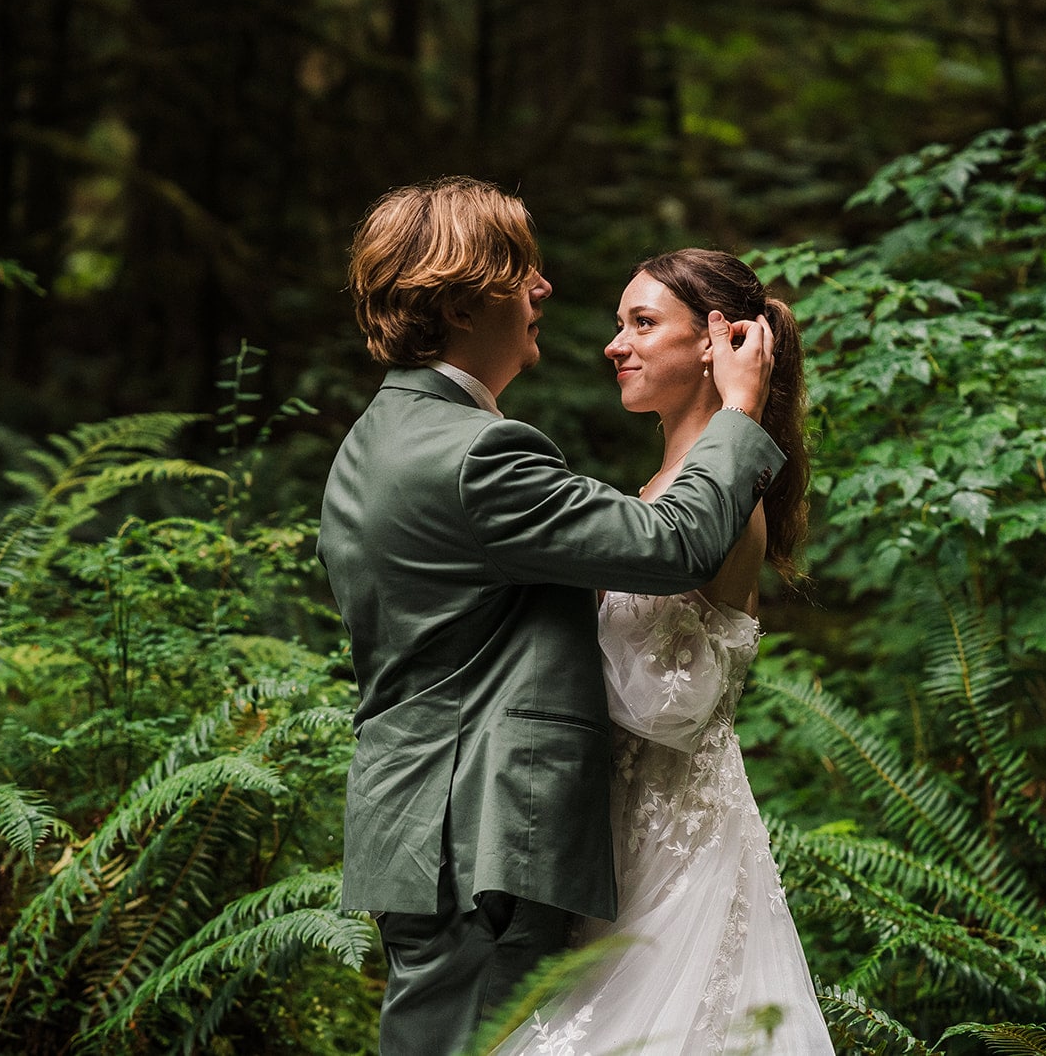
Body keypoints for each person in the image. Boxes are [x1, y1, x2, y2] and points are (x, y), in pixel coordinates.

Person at [315, 180, 787, 1055]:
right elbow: (672, 542)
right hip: (480, 841)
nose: (544, 289)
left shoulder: (377, 438)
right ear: (463, 294)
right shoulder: (478, 455)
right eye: (521, 269)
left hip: (433, 833)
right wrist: (743, 411)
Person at [494, 249, 833, 1054]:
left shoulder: (729, 509)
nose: (616, 344)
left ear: (716, 344)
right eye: (620, 324)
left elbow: (672, 707)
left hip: (676, 853)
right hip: (617, 849)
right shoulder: (663, 491)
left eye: (642, 323)